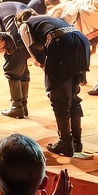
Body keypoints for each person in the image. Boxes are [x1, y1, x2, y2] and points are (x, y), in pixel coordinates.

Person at [14, 10, 91, 157]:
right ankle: (76, 142)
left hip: (62, 44)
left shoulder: (25, 25)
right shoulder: (48, 19)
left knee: (59, 96)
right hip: (80, 41)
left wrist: (46, 68)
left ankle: (65, 143)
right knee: (73, 95)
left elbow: (33, 52)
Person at [0, 0, 33, 120]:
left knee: (12, 70)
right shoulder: (17, 3)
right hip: (32, 38)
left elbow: (2, 35)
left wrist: (5, 49)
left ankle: (16, 107)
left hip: (16, 38)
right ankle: (23, 105)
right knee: (23, 69)